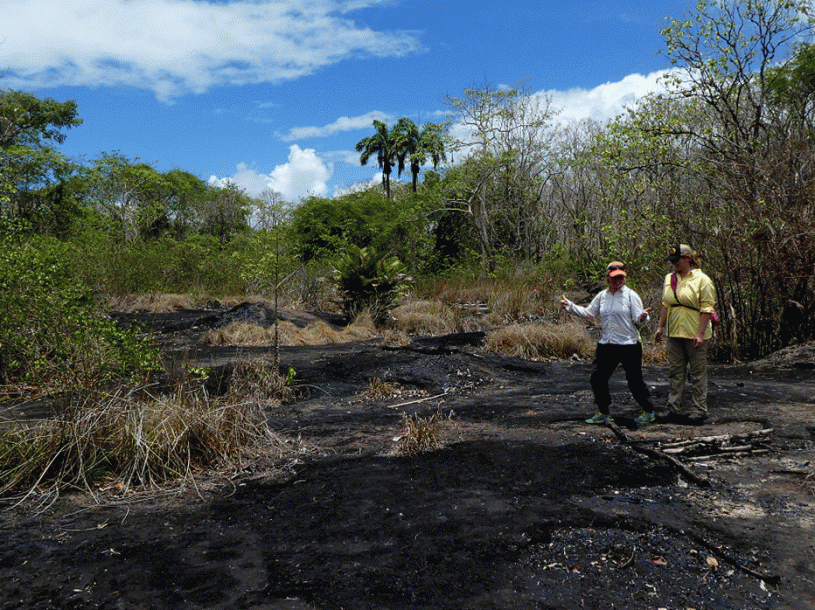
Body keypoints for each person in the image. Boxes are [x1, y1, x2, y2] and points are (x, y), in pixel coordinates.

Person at [561, 261, 655, 425]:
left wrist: (643, 317)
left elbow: (639, 319)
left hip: (629, 345)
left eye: (621, 277)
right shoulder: (602, 296)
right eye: (614, 277)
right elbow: (589, 313)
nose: (618, 280)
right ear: (608, 277)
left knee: (634, 381)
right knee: (597, 378)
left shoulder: (630, 295)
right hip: (607, 344)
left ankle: (648, 410)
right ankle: (604, 412)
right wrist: (570, 306)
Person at [654, 244, 717, 424]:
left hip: (694, 332)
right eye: (672, 261)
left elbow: (707, 308)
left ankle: (699, 409)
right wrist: (660, 327)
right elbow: (666, 304)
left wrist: (700, 333)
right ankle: (673, 408)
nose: (674, 264)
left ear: (688, 258)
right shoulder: (669, 278)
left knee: (697, 373)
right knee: (675, 372)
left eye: (677, 260)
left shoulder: (702, 279)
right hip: (674, 332)